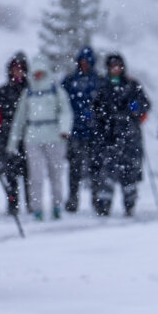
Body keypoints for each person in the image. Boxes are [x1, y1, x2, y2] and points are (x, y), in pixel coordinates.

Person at [6, 55, 73, 220]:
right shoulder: (28, 93)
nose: (38, 76)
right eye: (35, 73)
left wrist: (64, 129)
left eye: (40, 73)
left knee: (55, 174)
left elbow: (65, 111)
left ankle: (57, 206)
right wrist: (13, 142)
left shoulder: (56, 91)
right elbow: (19, 119)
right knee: (35, 176)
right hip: (33, 137)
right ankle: (37, 209)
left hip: (54, 136)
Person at [92, 53, 150, 217]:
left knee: (129, 174)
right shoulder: (103, 87)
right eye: (112, 66)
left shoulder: (132, 85)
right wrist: (103, 120)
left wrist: (137, 109)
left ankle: (129, 204)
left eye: (118, 66)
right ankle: (104, 205)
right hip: (109, 137)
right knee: (107, 174)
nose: (115, 69)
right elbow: (95, 110)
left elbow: (146, 105)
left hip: (130, 137)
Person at [62, 46, 102, 213]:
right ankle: (73, 198)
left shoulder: (99, 81)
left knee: (95, 167)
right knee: (75, 167)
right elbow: (62, 103)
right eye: (82, 61)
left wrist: (95, 115)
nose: (84, 64)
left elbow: (104, 103)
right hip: (75, 131)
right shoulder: (70, 80)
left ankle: (96, 198)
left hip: (94, 132)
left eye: (87, 61)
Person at [0, 53, 30, 214]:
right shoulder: (2, 91)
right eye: (15, 69)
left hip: (27, 136)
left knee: (29, 172)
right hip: (6, 137)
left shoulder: (30, 90)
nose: (18, 73)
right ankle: (13, 203)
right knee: (10, 174)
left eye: (21, 69)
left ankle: (31, 203)